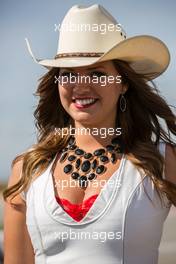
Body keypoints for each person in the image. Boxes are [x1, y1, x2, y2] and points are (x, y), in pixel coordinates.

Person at [3, 4, 176, 264]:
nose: (80, 85)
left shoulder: (162, 161)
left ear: (123, 83)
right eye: (69, 74)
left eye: (97, 73)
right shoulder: (27, 169)